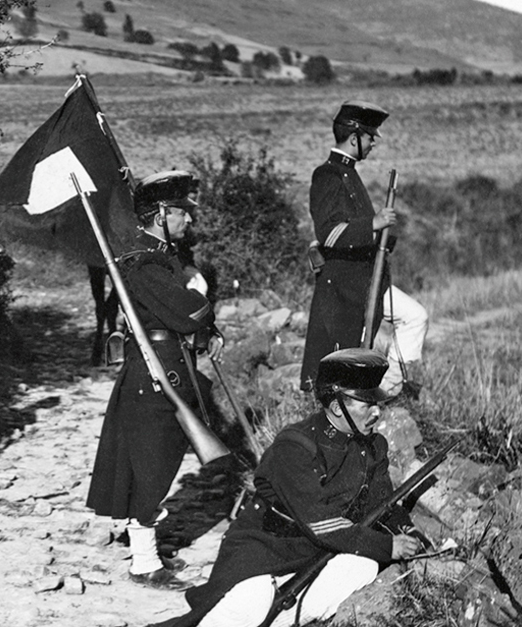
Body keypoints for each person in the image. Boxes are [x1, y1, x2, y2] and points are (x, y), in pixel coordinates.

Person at [172, 348, 423, 627]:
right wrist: (389, 546)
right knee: (251, 604)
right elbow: (323, 525)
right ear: (338, 408)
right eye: (367, 405)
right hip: (265, 550)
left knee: (362, 567)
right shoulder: (295, 447)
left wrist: (408, 532)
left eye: (377, 404)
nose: (377, 413)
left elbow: (382, 504)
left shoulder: (373, 447)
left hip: (317, 551)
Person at [86, 170, 218, 591]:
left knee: (160, 459)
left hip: (168, 362)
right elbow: (187, 311)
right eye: (182, 213)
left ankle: (149, 549)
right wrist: (202, 299)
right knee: (152, 465)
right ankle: (143, 562)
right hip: (156, 370)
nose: (189, 221)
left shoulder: (159, 257)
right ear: (161, 214)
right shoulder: (143, 262)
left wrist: (204, 325)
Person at [300, 100, 396, 393]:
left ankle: (390, 386)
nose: (373, 144)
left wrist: (384, 236)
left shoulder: (349, 173)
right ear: (354, 137)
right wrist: (372, 224)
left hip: (362, 280)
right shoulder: (328, 174)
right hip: (344, 285)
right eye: (369, 137)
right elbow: (328, 233)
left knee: (414, 317)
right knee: (342, 368)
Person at [377, 285, 428, 398]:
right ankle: (381, 393)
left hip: (371, 279)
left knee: (416, 317)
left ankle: (384, 391)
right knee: (415, 318)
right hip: (346, 280)